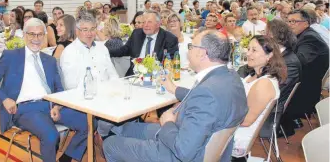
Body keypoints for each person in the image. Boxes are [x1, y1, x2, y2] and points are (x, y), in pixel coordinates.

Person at [103, 30, 248, 162]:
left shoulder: (207, 94)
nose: (188, 51)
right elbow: (206, 99)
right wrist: (174, 88)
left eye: (191, 47)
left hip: (177, 153)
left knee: (110, 144)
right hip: (195, 139)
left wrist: (168, 123)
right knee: (123, 129)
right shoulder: (231, 78)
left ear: (202, 53)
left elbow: (183, 151)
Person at [0, 18, 89, 162]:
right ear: (25, 35)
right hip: (25, 108)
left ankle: (67, 157)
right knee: (51, 135)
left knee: (89, 122)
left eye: (40, 34)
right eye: (32, 34)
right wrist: (4, 99)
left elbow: (59, 88)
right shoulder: (11, 56)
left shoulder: (50, 60)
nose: (36, 38)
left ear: (44, 36)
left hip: (51, 105)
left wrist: (57, 106)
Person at [231, 35, 285, 160]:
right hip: (233, 129)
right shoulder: (255, 75)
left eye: (254, 50)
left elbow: (245, 121)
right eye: (248, 49)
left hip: (235, 137)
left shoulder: (264, 84)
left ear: (269, 55)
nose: (248, 53)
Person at [284, 10, 329, 131]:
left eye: (294, 21)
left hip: (304, 90)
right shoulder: (305, 34)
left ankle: (282, 121)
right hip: (307, 83)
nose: (290, 24)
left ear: (306, 23)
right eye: (288, 21)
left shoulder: (309, 38)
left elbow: (299, 60)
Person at [109, 10, 179, 76]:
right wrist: (106, 52)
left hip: (157, 77)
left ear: (158, 24)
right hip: (134, 76)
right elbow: (124, 50)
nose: (146, 25)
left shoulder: (170, 39)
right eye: (144, 22)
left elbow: (171, 63)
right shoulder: (136, 33)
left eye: (149, 22)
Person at [60, 13, 119, 89]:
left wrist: (114, 89)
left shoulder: (102, 48)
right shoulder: (69, 52)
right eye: (85, 30)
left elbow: (113, 74)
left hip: (108, 93)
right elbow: (71, 85)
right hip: (85, 96)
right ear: (76, 31)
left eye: (92, 29)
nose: (89, 33)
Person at [264, 20, 301, 137]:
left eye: (265, 32)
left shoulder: (290, 62)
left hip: (270, 111)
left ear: (272, 36)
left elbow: (276, 91)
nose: (263, 36)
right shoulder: (280, 54)